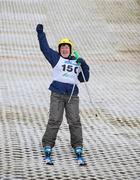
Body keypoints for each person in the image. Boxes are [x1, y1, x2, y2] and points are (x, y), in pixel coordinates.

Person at [36, 24, 90, 165]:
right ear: (59, 49)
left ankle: (77, 146)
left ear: (70, 49)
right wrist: (41, 33)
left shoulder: (76, 61)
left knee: (74, 121)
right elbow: (44, 48)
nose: (64, 49)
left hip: (72, 96)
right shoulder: (56, 58)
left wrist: (83, 64)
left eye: (67, 47)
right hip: (57, 94)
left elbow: (84, 78)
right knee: (55, 120)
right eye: (62, 47)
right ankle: (48, 144)